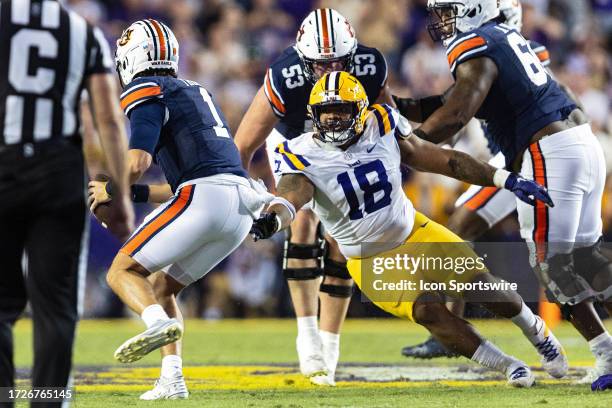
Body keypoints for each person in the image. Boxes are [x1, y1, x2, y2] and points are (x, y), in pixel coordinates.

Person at [251, 71, 568, 388]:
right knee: (428, 310)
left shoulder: (383, 123)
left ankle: (537, 332)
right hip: (369, 258)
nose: (333, 119)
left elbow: (444, 160)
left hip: (415, 231)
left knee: (482, 286)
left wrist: (504, 179)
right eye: (327, 111)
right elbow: (291, 196)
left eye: (342, 110)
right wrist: (275, 218)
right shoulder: (300, 154)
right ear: (314, 115)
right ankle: (507, 365)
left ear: (360, 110)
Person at [394, 0, 612, 391]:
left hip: (548, 151)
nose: (441, 19)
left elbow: (456, 115)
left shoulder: (476, 44)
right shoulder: (501, 37)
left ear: (473, 8)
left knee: (552, 266)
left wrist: (406, 146)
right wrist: (398, 109)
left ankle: (607, 355)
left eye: (447, 9)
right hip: (579, 141)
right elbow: (450, 102)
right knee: (585, 256)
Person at [88, 19, 271, 400]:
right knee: (160, 285)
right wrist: (133, 195)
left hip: (203, 197)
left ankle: (154, 323)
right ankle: (172, 379)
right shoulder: (193, 89)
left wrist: (110, 185)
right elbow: (179, 183)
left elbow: (137, 160)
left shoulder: (146, 89)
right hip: (237, 206)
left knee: (122, 272)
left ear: (131, 58)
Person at [234, 8, 393, 386]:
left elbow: (388, 119)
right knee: (301, 221)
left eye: (339, 61)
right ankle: (307, 337)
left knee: (343, 238)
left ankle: (330, 344)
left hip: (347, 146)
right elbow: (242, 146)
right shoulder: (285, 76)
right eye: (321, 64)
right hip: (295, 144)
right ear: (304, 59)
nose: (331, 69)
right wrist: (237, 196)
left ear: (353, 55)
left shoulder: (371, 65)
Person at [0, 1, 133, 406]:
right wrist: (122, 196)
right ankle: (48, 400)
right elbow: (108, 118)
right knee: (54, 308)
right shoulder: (82, 30)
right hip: (58, 170)